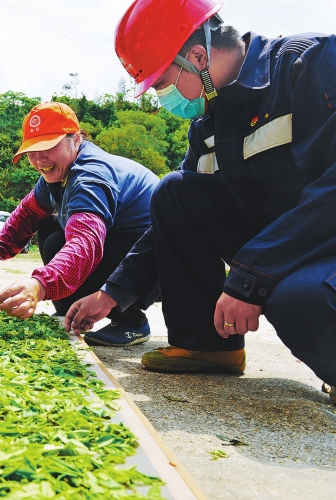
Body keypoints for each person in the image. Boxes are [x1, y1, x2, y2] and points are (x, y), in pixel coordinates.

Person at [65, 0, 336, 404]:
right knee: (175, 189)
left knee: (300, 302)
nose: (161, 98)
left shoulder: (308, 63)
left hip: (323, 243)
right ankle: (208, 346)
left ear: (197, 56)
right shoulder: (207, 123)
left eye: (160, 84)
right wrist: (112, 294)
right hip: (277, 249)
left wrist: (250, 275)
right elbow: (173, 218)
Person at [0, 102, 159, 346]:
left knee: (59, 242)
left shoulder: (89, 177)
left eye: (49, 146)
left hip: (155, 261)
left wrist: (39, 285)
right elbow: (28, 212)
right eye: (32, 151)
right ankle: (68, 312)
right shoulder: (58, 173)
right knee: (50, 228)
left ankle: (132, 322)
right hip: (125, 243)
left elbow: (85, 243)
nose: (40, 159)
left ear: (76, 139)